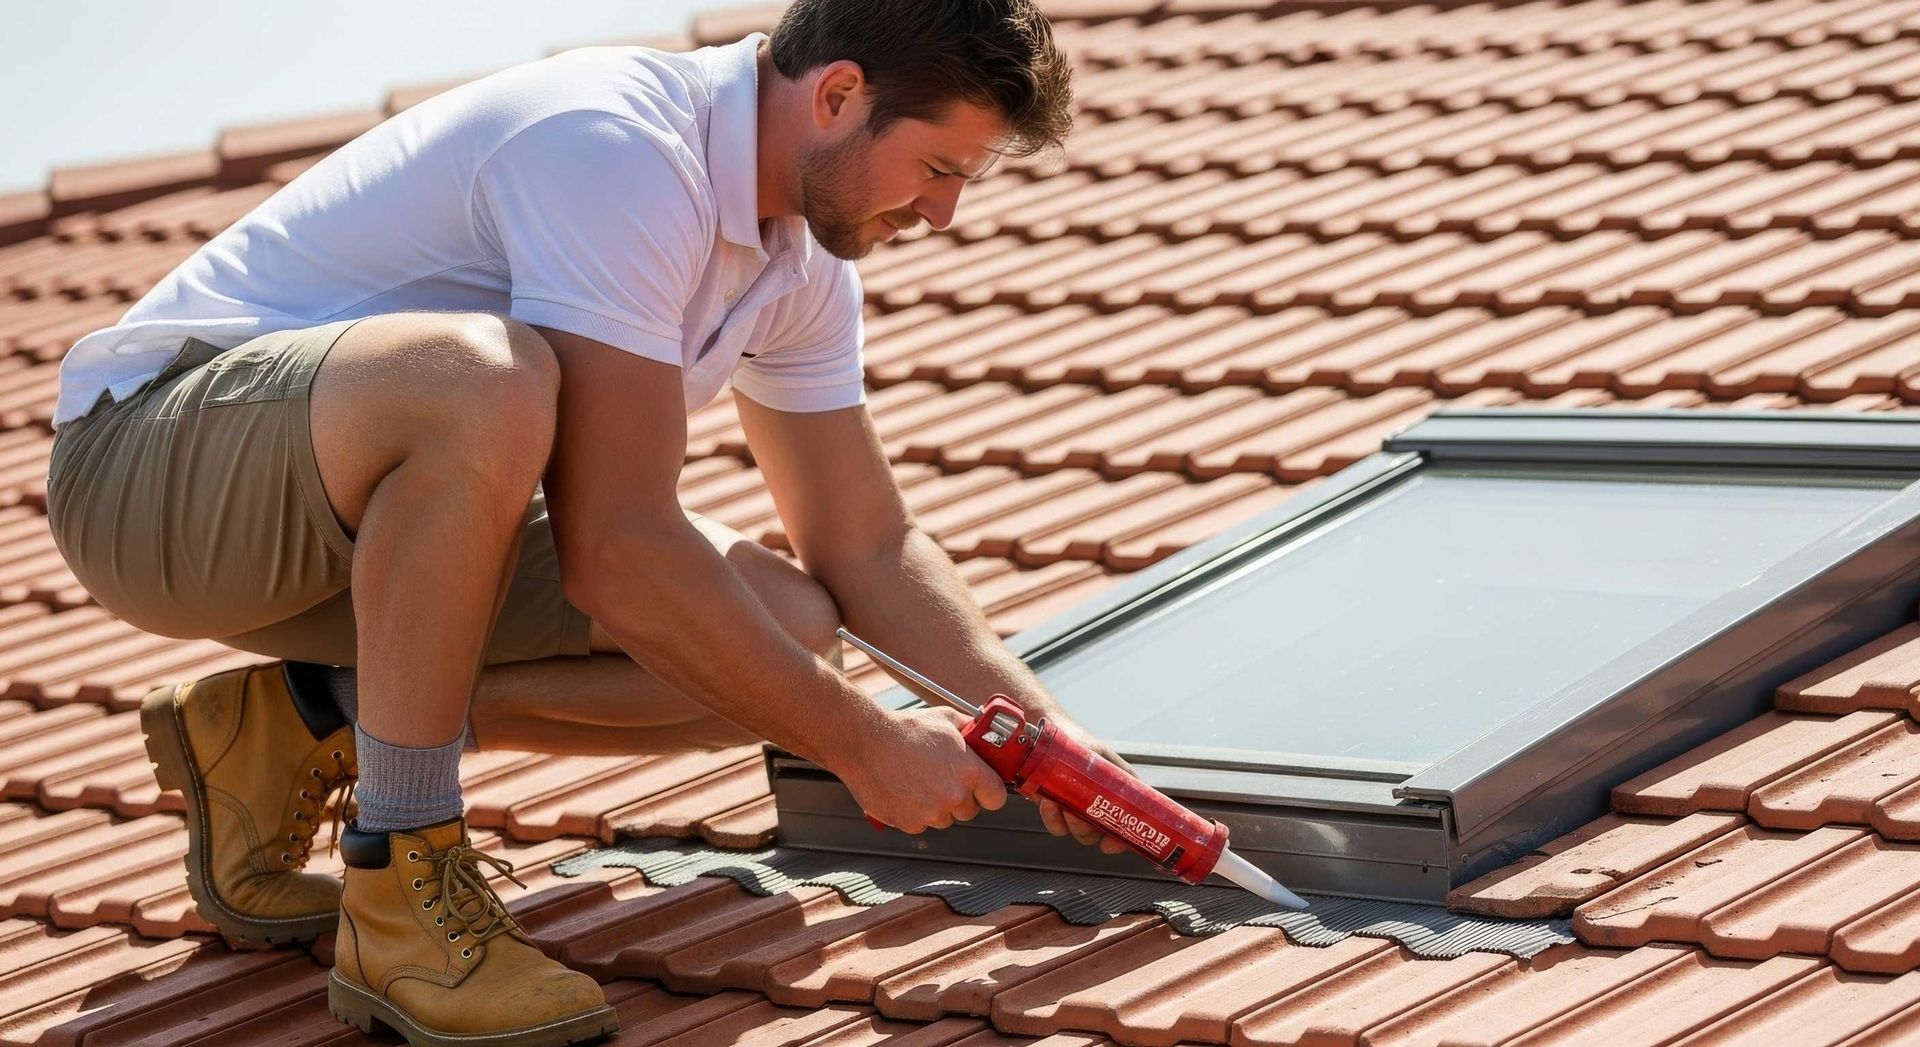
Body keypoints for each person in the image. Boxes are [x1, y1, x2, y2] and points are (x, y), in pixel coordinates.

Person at [43, 2, 1131, 1044]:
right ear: (840, 94)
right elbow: (618, 551)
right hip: (149, 478)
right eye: (939, 170)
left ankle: (307, 718)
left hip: (358, 542)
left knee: (786, 631)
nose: (943, 214)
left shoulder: (796, 265)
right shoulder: (614, 145)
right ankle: (399, 889)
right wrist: (865, 745)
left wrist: (1049, 744)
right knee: (484, 378)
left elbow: (865, 548)